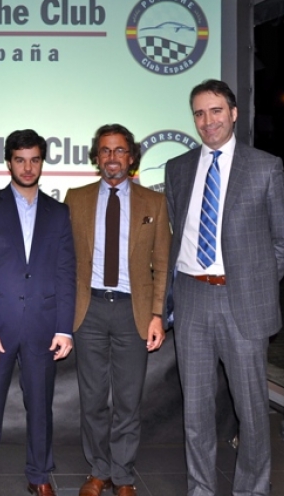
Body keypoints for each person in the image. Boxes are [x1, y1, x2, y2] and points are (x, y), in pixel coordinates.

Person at [164, 79, 284, 496]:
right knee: (196, 411)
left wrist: (252, 283)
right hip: (190, 298)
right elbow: (178, 232)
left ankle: (251, 490)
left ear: (234, 113)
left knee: (252, 410)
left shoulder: (264, 167)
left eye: (216, 111)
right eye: (200, 113)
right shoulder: (178, 168)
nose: (208, 121)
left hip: (242, 301)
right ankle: (200, 489)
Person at [0, 129, 76, 496]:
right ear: (8, 161)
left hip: (43, 328)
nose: (28, 167)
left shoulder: (58, 213)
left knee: (41, 409)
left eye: (35, 159)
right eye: (20, 159)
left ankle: (40, 476)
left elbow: (65, 272)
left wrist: (64, 328)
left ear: (43, 162)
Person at [64, 124, 171, 496]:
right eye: (106, 151)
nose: (112, 157)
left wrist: (157, 314)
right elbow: (65, 261)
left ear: (132, 157)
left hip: (133, 312)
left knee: (127, 401)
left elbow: (162, 263)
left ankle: (124, 476)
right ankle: (99, 471)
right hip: (88, 309)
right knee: (92, 401)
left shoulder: (154, 203)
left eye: (120, 150)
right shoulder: (74, 199)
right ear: (97, 157)